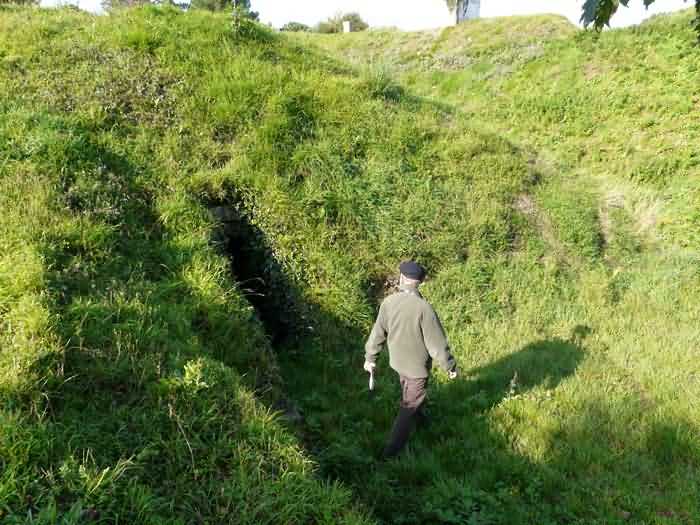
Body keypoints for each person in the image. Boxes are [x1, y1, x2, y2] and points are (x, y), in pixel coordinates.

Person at [364, 260, 458, 458]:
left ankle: (422, 422)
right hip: (417, 369)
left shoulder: (388, 303)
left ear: (402, 278)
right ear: (420, 282)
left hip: (398, 363)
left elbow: (378, 333)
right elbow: (437, 344)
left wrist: (370, 357)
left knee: (412, 396)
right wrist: (450, 366)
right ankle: (390, 453)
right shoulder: (424, 309)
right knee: (408, 408)